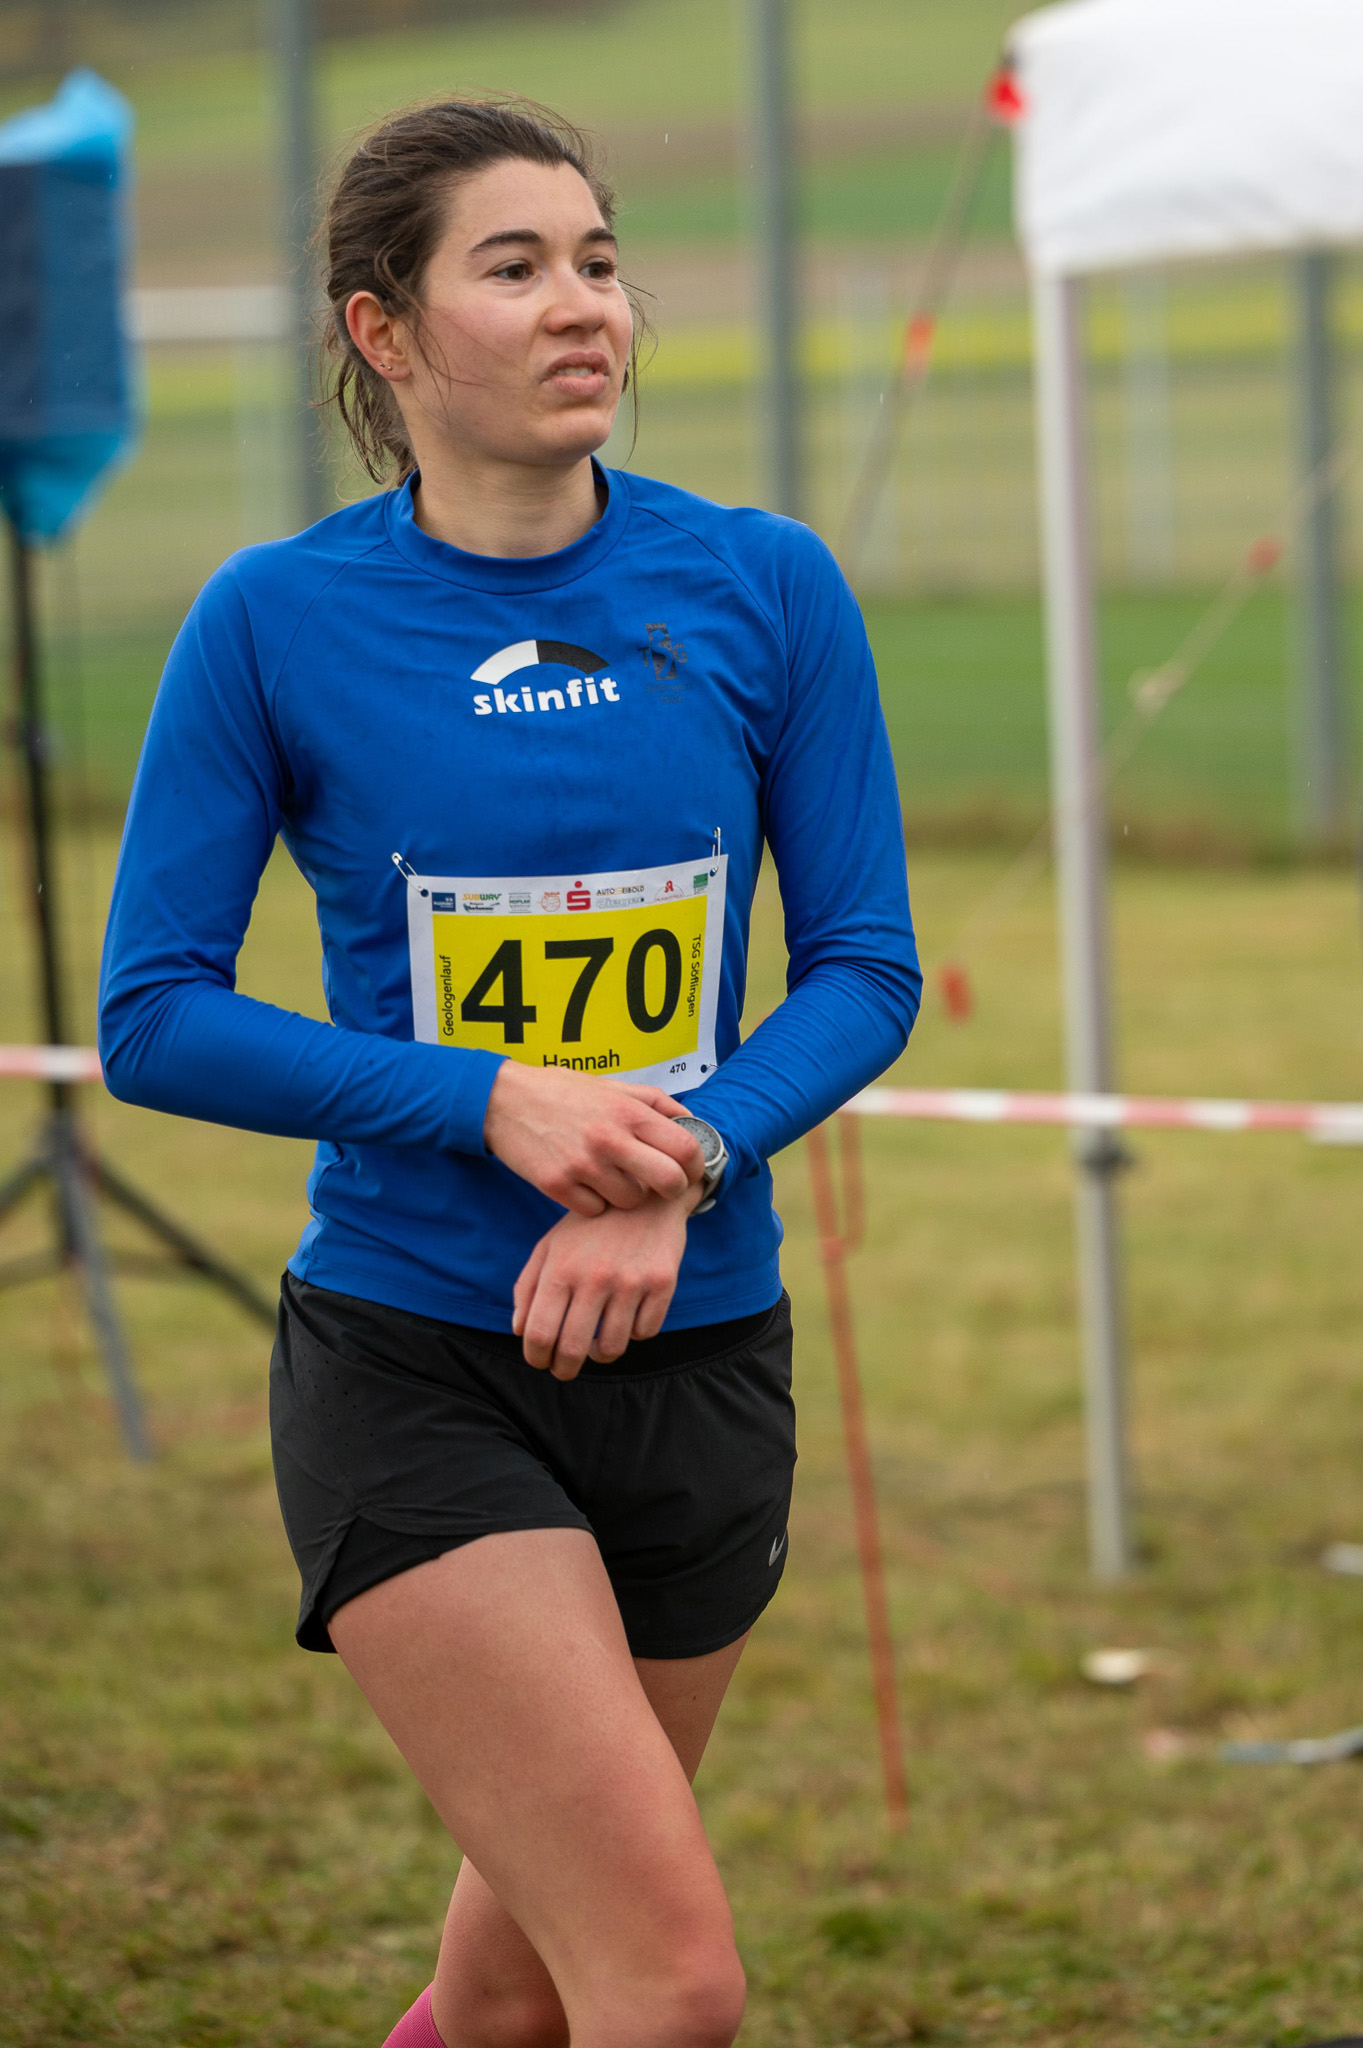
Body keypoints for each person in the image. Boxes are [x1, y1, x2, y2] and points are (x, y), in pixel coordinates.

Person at [98, 96, 920, 2048]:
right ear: (382, 332)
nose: (585, 307)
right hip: (420, 1362)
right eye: (518, 265)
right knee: (670, 1983)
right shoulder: (273, 620)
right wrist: (492, 1098)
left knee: (510, 1994)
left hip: (703, 1358)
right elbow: (155, 1014)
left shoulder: (766, 584)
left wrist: (684, 1153)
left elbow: (866, 970)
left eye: (602, 262)